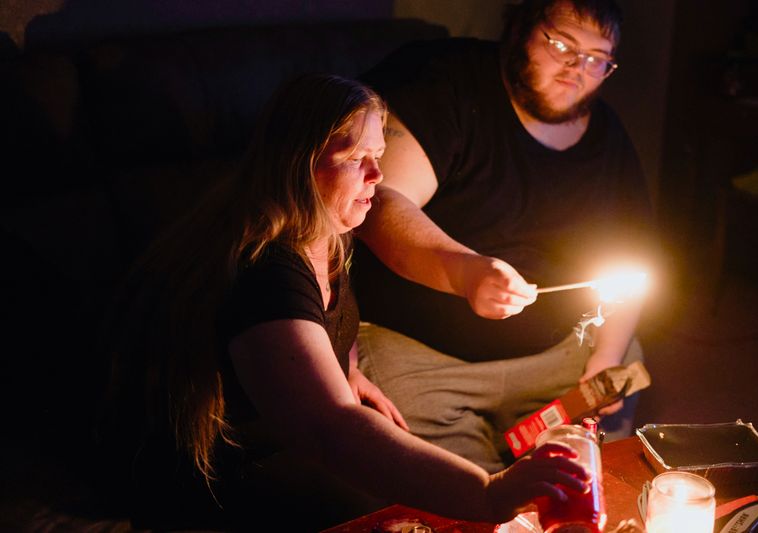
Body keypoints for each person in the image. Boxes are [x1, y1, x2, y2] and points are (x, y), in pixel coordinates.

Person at [99, 73, 593, 532]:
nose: (378, 175)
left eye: (378, 154)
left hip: (279, 447)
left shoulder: (327, 230)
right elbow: (330, 429)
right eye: (356, 157)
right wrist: (489, 493)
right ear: (299, 161)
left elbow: (329, 333)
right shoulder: (268, 272)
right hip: (222, 476)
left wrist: (349, 373)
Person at [352, 0, 658, 474]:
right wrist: (467, 272)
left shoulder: (607, 137)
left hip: (560, 356)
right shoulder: (447, 83)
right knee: (465, 496)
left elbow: (636, 251)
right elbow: (381, 204)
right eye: (561, 45)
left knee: (591, 474)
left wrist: (606, 356)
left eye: (597, 59)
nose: (576, 69)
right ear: (520, 28)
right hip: (422, 360)